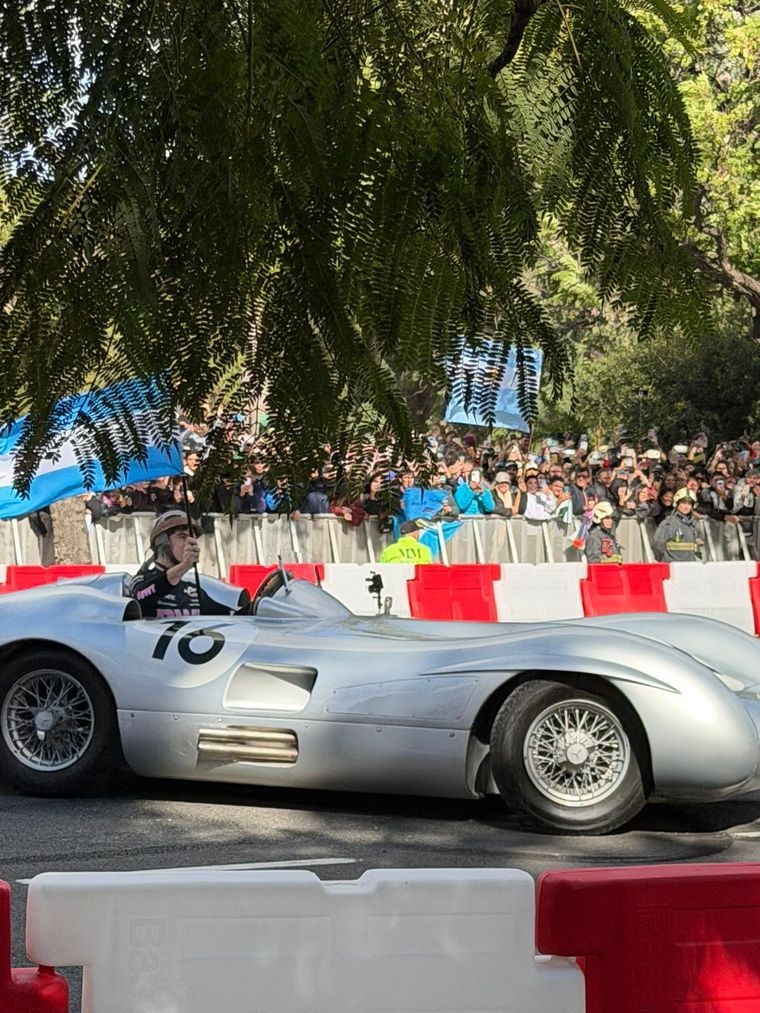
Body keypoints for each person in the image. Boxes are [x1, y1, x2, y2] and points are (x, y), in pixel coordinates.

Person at [129, 511, 235, 617]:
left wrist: (249, 610)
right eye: (182, 536)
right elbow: (140, 598)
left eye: (193, 539)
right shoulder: (141, 579)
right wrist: (184, 566)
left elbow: (228, 614)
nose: (191, 544)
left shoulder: (192, 590)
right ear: (161, 541)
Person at [653, 489, 702, 562]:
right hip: (673, 566)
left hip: (691, 565)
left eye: (689, 504)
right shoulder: (667, 523)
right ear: (676, 504)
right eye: (683, 503)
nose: (686, 506)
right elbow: (658, 547)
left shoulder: (695, 524)